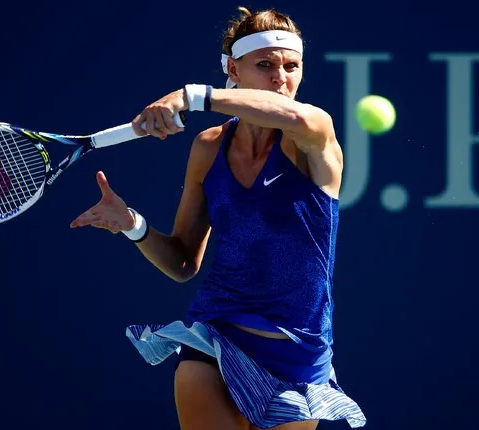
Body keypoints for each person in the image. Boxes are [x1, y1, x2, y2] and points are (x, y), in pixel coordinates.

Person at [70, 6, 366, 430]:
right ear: (233, 68)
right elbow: (183, 262)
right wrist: (131, 224)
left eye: (292, 66)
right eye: (264, 65)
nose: (280, 78)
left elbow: (296, 115)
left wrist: (191, 96)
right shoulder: (208, 148)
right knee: (194, 374)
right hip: (217, 335)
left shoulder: (312, 131)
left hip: (297, 353)